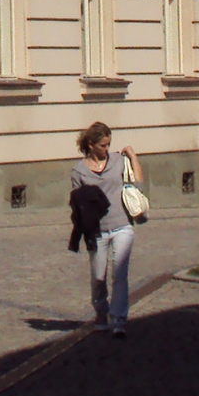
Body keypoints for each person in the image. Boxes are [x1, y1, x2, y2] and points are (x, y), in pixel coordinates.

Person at [70, 122, 144, 337]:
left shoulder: (118, 161)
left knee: (119, 274)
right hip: (97, 230)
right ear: (91, 145)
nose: (107, 149)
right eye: (103, 145)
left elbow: (138, 184)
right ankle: (101, 313)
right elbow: (77, 203)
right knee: (98, 277)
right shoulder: (79, 171)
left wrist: (133, 157)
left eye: (109, 144)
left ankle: (119, 320)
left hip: (122, 225)